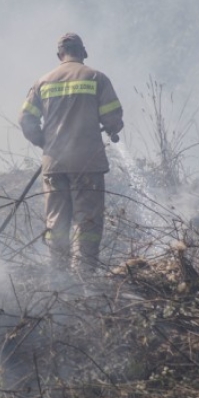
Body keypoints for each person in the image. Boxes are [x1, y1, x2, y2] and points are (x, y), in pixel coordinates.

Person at [19, 33, 124, 276]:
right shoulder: (96, 78)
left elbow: (25, 119)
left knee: (56, 222)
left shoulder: (43, 82)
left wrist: (44, 141)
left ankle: (59, 278)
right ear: (83, 52)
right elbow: (113, 119)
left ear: (59, 56)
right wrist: (112, 127)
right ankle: (84, 277)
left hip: (54, 164)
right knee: (86, 222)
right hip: (87, 163)